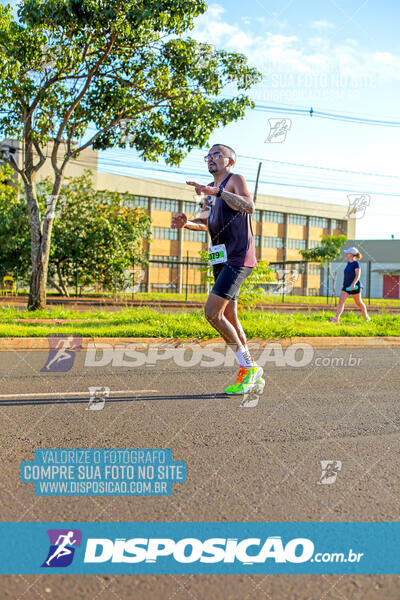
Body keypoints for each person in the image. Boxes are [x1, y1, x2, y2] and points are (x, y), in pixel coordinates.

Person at [172, 143, 264, 394]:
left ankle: (250, 368)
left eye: (217, 155)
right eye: (208, 156)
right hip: (220, 258)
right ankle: (249, 368)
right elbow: (206, 222)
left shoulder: (235, 180)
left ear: (230, 161)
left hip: (238, 256)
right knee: (230, 316)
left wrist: (219, 192)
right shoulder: (210, 192)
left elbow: (248, 206)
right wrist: (187, 223)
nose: (211, 159)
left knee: (212, 313)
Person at [329, 247, 371, 323]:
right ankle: (336, 318)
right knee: (341, 301)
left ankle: (366, 317)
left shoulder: (356, 263)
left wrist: (353, 284)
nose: (346, 254)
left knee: (358, 302)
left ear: (352, 254)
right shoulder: (348, 263)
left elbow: (358, 275)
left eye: (348, 252)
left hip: (355, 286)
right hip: (346, 286)